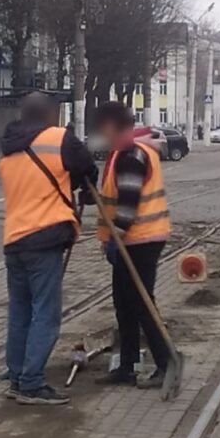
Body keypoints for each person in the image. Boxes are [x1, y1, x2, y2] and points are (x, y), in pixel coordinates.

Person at [0, 93, 98, 405]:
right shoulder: (58, 138)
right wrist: (85, 189)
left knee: (20, 312)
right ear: (49, 114)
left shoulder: (8, 146)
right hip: (44, 239)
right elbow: (87, 167)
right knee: (45, 313)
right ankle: (31, 383)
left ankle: (17, 376)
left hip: (14, 240)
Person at [91, 101, 172, 389]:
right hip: (132, 239)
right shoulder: (122, 151)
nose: (101, 133)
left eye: (102, 128)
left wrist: (116, 234)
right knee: (124, 303)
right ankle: (127, 365)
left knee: (141, 303)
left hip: (140, 239)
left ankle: (166, 363)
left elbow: (128, 202)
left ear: (112, 126)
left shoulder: (132, 154)